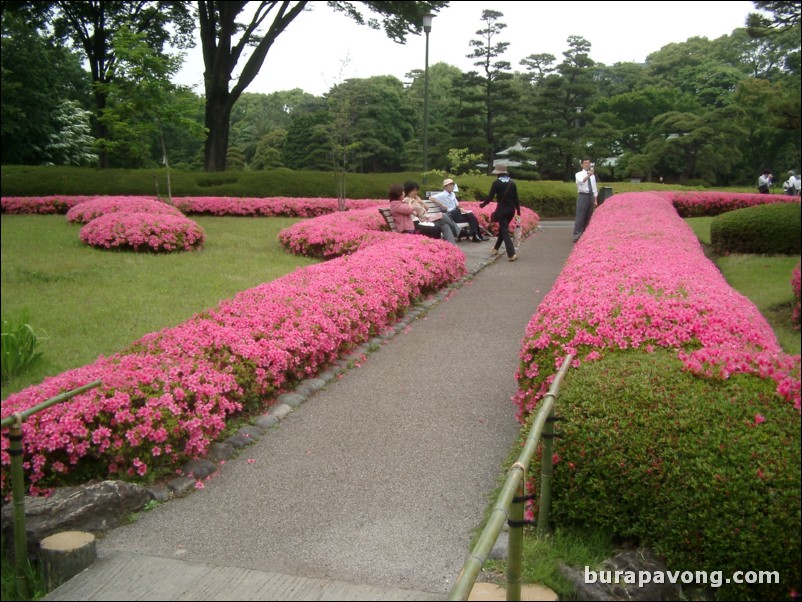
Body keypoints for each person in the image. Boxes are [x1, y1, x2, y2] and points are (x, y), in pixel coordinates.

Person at [480, 164, 520, 261]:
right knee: (503, 229)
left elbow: (490, 197)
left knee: (505, 232)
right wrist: (518, 211)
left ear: (498, 174)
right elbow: (516, 199)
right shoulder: (512, 183)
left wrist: (483, 204)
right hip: (511, 211)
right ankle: (495, 248)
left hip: (502, 210)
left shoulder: (496, 183)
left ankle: (511, 253)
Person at [430, 178, 488, 243]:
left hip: (457, 212)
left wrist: (462, 209)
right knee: (472, 219)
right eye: (450, 185)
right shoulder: (442, 195)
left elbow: (457, 205)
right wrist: (442, 204)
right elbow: (431, 198)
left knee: (471, 215)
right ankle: (476, 236)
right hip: (450, 215)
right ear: (446, 186)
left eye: (453, 184)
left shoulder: (453, 194)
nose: (452, 186)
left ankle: (475, 234)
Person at [573, 158, 597, 243]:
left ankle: (585, 235)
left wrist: (595, 199)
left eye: (588, 163)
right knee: (580, 216)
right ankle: (577, 235)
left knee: (589, 216)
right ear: (582, 165)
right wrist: (588, 175)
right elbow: (580, 182)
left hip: (590, 196)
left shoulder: (593, 176)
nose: (587, 165)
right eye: (585, 163)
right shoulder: (579, 174)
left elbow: (594, 187)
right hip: (583, 195)